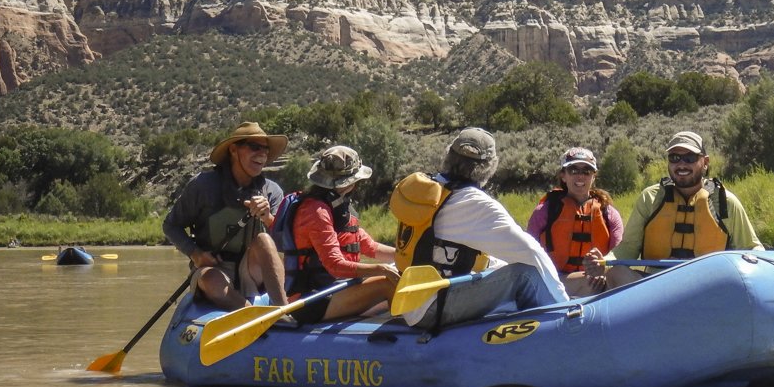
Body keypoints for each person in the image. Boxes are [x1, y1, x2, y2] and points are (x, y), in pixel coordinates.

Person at [394, 127, 568, 329]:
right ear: (489, 166)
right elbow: (531, 252)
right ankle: (560, 327)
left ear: (449, 155)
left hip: (411, 301)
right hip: (431, 309)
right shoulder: (474, 202)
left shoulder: (430, 191)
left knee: (502, 267)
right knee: (525, 275)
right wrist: (566, 302)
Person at [588, 130, 764, 288]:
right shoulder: (650, 198)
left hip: (707, 286)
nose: (681, 165)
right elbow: (627, 248)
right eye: (674, 158)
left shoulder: (725, 202)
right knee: (617, 274)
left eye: (689, 158)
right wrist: (604, 261)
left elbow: (752, 248)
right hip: (655, 284)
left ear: (705, 162)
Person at [162, 122, 291, 310]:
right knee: (211, 278)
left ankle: (283, 310)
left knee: (264, 239)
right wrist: (196, 254)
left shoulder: (272, 191)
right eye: (254, 147)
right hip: (214, 269)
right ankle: (251, 314)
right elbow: (171, 225)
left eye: (266, 149)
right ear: (233, 150)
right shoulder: (202, 186)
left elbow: (285, 242)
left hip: (254, 270)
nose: (262, 154)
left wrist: (268, 218)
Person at [279, 144, 400, 323]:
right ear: (349, 182)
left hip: (336, 290)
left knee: (396, 277)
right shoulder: (316, 211)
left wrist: (407, 257)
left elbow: (370, 247)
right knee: (387, 283)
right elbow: (335, 265)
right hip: (311, 300)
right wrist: (382, 269)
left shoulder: (338, 207)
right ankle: (416, 339)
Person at [526, 147, 623, 297]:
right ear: (563, 175)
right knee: (592, 283)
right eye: (573, 170)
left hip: (599, 279)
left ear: (593, 176)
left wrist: (602, 267)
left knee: (619, 276)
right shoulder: (545, 211)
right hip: (554, 280)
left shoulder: (608, 213)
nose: (580, 176)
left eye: (586, 171)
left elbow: (619, 255)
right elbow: (528, 252)